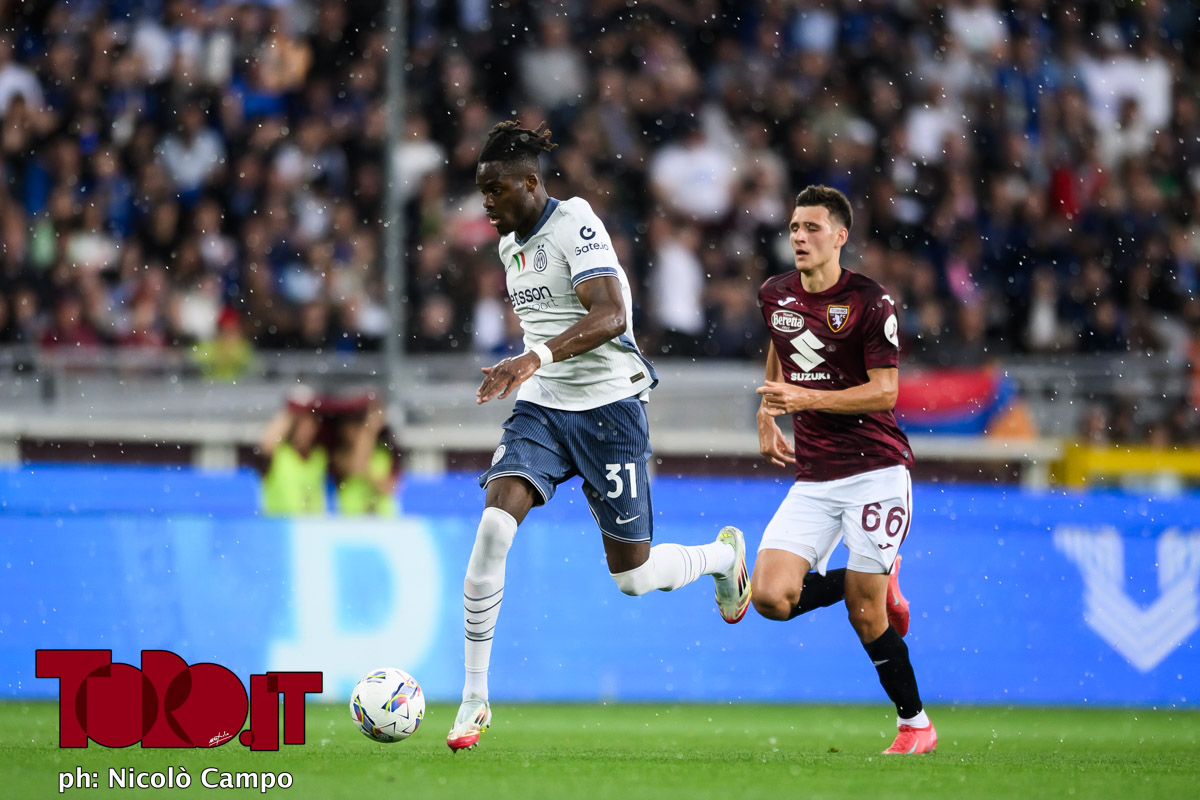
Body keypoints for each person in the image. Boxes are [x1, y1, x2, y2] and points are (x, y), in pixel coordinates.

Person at [446, 120, 751, 752]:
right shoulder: (508, 246)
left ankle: (723, 559)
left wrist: (531, 358)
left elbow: (611, 314)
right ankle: (474, 698)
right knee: (494, 526)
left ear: (531, 183)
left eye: (496, 190)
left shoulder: (575, 222)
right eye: (482, 191)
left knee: (633, 577)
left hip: (611, 410)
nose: (487, 202)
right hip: (544, 407)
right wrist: (530, 368)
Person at [746, 185, 935, 755]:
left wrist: (807, 400)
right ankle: (874, 575)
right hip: (815, 475)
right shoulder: (775, 293)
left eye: (812, 228)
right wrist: (767, 410)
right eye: (794, 228)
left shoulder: (871, 302)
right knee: (770, 598)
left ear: (840, 236)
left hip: (877, 469)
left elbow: (885, 392)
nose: (800, 237)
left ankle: (915, 724)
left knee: (865, 611)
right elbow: (783, 344)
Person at [256, 386, 329, 516]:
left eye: (311, 424)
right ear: (293, 425)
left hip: (314, 525)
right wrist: (293, 408)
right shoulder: (279, 453)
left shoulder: (319, 455)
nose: (307, 431)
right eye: (302, 424)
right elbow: (266, 443)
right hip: (280, 525)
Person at [330, 394, 402, 516]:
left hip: (383, 522)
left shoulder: (384, 452)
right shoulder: (339, 455)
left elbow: (391, 487)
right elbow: (357, 466)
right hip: (352, 521)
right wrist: (370, 429)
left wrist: (369, 476)